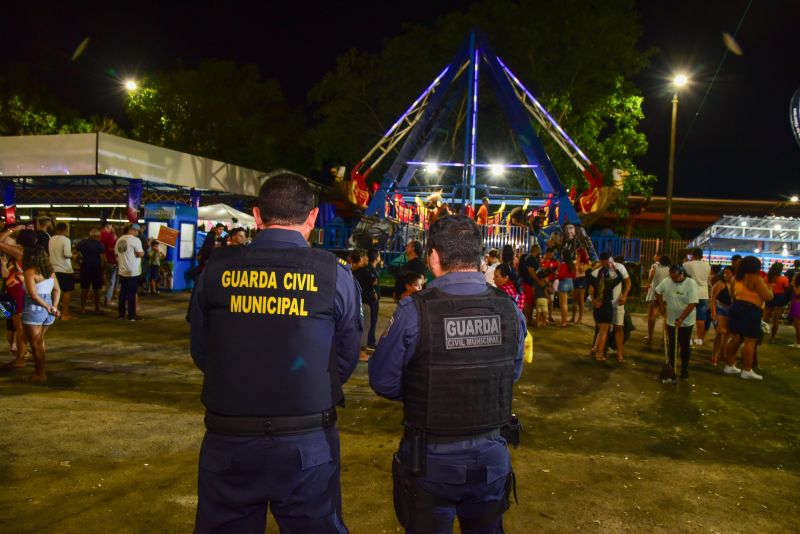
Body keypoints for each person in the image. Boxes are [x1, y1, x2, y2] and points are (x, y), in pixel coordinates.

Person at [189, 173, 361, 533]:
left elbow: (204, 350)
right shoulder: (335, 275)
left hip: (230, 439)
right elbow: (345, 357)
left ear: (256, 214)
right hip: (307, 440)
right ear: (312, 218)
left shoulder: (216, 269)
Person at [369, 215, 526, 534]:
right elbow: (512, 372)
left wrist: (426, 388)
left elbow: (383, 380)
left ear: (434, 257)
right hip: (491, 455)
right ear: (481, 257)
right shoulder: (509, 308)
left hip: (432, 462)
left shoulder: (414, 310)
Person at [723, 256, 773, 380]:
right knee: (750, 340)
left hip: (736, 307)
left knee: (735, 337)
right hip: (750, 310)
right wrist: (770, 289)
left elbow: (732, 294)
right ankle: (747, 370)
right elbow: (767, 297)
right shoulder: (756, 278)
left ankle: (729, 365)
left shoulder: (735, 278)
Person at [655, 264, 699, 381]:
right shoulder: (667, 281)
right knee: (672, 345)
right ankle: (672, 369)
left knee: (684, 346)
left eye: (675, 277)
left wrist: (681, 319)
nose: (673, 280)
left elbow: (692, 303)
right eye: (671, 277)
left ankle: (684, 370)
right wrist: (661, 306)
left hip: (686, 322)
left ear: (682, 274)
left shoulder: (690, 283)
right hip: (671, 320)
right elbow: (658, 291)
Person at [587, 253, 624, 361]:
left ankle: (595, 348)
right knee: (604, 333)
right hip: (607, 307)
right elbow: (620, 277)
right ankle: (599, 354)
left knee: (600, 331)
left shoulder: (595, 282)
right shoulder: (610, 283)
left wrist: (600, 265)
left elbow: (588, 272)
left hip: (597, 308)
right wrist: (612, 266)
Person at [115, 223, 145, 321]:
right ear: (132, 230)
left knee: (123, 293)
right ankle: (132, 315)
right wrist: (140, 253)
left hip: (122, 270)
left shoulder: (119, 240)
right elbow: (140, 254)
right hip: (133, 271)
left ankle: (121, 314)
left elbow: (117, 254)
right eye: (137, 231)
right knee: (132, 293)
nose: (137, 233)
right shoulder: (135, 240)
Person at [682, 248, 711, 345]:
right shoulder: (707, 265)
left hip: (691, 292)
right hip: (704, 293)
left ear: (693, 255)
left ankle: (688, 338)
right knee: (701, 317)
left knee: (688, 315)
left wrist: (686, 261)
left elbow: (682, 274)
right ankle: (699, 339)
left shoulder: (687, 264)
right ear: (702, 256)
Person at [354, 248, 381, 349]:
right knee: (370, 322)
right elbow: (372, 283)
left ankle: (369, 341)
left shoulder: (370, 268)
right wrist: (374, 292)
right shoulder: (368, 269)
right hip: (369, 300)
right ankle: (368, 342)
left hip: (370, 300)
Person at [76, 228, 106, 314]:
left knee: (84, 288)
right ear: (97, 236)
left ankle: (83, 308)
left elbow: (75, 253)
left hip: (84, 268)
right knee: (97, 289)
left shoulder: (82, 243)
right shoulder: (100, 244)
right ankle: (97, 309)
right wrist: (103, 269)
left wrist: (79, 263)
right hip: (96, 269)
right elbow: (102, 259)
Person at [49, 222, 75, 321]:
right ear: (65, 230)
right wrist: (73, 254)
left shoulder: (51, 239)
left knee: (55, 291)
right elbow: (67, 254)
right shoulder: (66, 240)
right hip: (65, 269)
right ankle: (65, 314)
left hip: (53, 269)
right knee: (67, 292)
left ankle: (55, 311)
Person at [709, 266, 734, 365]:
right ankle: (715, 355)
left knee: (728, 334)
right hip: (721, 309)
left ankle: (723, 354)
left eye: (728, 273)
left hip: (731, 311)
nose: (725, 275)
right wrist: (713, 312)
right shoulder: (720, 284)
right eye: (725, 273)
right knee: (720, 333)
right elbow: (712, 299)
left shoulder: (735, 284)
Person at [644, 254, 671, 344]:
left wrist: (647, 285)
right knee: (666, 318)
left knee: (651, 317)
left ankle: (650, 337)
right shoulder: (670, 270)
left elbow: (649, 280)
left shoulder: (655, 267)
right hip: (666, 296)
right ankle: (665, 337)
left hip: (655, 295)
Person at [764, 262, 789, 343]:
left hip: (769, 297)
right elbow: (786, 289)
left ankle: (761, 334)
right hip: (779, 298)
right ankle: (772, 338)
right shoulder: (784, 279)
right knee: (776, 320)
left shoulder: (767, 278)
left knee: (765, 318)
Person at [556, 249, 575, 327]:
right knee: (565, 303)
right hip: (570, 283)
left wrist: (557, 274)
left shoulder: (564, 264)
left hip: (564, 283)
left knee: (563, 304)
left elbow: (561, 276)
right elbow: (574, 275)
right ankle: (564, 320)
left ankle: (564, 322)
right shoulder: (572, 264)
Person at [100, 222, 118, 307]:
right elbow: (111, 248)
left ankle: (94, 298)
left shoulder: (97, 234)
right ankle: (108, 300)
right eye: (111, 226)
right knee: (110, 282)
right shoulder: (109, 236)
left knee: (100, 281)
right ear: (107, 226)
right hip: (110, 261)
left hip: (99, 261)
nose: (112, 228)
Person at [571, 248, 590, 324]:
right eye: (576, 254)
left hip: (581, 281)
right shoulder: (574, 261)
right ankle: (573, 318)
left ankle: (580, 318)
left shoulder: (585, 263)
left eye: (578, 254)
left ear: (581, 254)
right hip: (574, 280)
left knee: (580, 301)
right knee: (574, 300)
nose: (576, 255)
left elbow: (582, 270)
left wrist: (578, 262)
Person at [788, 271, 800, 349]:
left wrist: (793, 286)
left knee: (798, 326)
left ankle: (798, 343)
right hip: (795, 305)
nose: (793, 277)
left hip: (797, 306)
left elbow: (798, 293)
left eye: (795, 276)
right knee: (796, 325)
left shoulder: (797, 286)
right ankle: (797, 342)